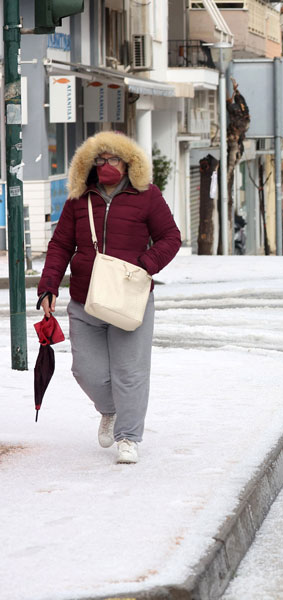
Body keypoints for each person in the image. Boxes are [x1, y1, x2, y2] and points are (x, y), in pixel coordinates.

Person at [37, 131, 181, 465]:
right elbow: (60, 245)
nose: (106, 165)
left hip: (130, 296)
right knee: (85, 371)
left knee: (129, 372)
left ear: (127, 162)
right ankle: (110, 410)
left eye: (112, 159)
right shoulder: (79, 199)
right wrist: (49, 286)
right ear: (89, 164)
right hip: (85, 299)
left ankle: (128, 437)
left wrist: (145, 266)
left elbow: (170, 237)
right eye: (99, 160)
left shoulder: (147, 196)